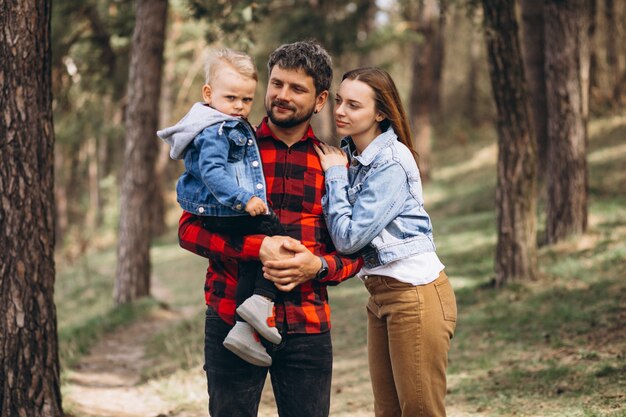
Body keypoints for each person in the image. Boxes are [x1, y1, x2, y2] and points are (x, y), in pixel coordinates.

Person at [177, 41, 362, 417]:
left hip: (306, 325)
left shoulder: (335, 165)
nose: (282, 95)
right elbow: (188, 230)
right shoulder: (228, 146)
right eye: (277, 84)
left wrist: (318, 267)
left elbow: (357, 251)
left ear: (320, 99)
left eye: (297, 89)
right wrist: (255, 248)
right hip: (230, 317)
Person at [313, 67, 457, 417]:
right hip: (380, 296)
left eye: (353, 105)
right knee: (388, 412)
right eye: (338, 101)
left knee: (420, 411)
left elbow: (348, 238)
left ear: (380, 113)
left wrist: (333, 175)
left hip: (414, 295)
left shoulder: (390, 162)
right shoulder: (355, 160)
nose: (340, 111)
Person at [157, 48, 284, 367]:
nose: (239, 107)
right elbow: (213, 172)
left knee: (251, 260)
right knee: (274, 234)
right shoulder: (217, 128)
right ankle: (261, 303)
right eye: (231, 98)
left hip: (223, 210)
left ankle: (247, 325)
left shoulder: (219, 121)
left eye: (246, 100)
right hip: (227, 210)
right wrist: (245, 199)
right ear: (208, 94)